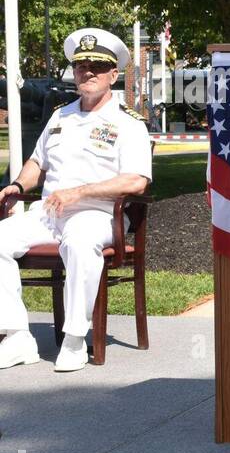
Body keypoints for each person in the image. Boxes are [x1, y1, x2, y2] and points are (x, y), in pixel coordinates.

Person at [0, 28, 151, 373]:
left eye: (97, 67)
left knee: (80, 242)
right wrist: (19, 185)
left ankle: (74, 339)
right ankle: (17, 336)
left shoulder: (128, 124)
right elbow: (37, 162)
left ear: (113, 75)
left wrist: (80, 192)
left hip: (99, 214)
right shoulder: (61, 116)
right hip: (50, 212)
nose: (88, 73)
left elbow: (136, 181)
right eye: (82, 66)